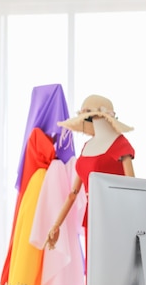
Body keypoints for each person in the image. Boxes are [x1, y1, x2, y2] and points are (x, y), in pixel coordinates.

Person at [46, 94, 135, 251]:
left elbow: (133, 187)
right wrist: (56, 224)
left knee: (112, 266)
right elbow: (73, 193)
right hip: (93, 216)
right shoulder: (87, 147)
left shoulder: (120, 145)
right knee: (94, 269)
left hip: (115, 215)